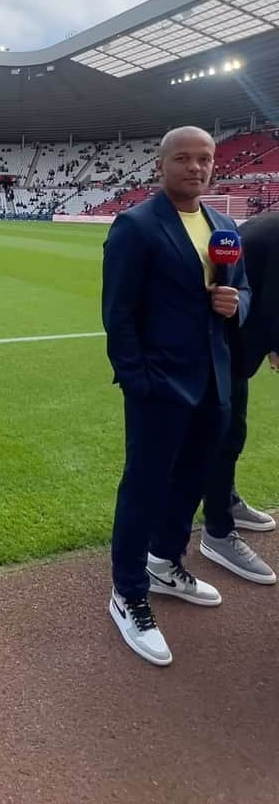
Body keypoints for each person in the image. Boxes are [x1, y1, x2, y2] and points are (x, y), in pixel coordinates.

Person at [102, 126, 250, 666]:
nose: (196, 167)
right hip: (159, 386)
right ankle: (127, 593)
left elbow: (245, 290)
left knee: (191, 481)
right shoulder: (136, 226)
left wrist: (238, 304)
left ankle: (165, 562)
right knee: (143, 487)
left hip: (214, 381)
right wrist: (138, 381)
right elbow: (117, 315)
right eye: (183, 159)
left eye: (205, 159)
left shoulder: (226, 226)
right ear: (161, 166)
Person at [201, 210, 279, 584]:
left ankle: (226, 499)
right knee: (224, 436)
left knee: (233, 432)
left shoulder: (270, 225)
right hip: (223, 344)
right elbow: (272, 305)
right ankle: (217, 531)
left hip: (234, 340)